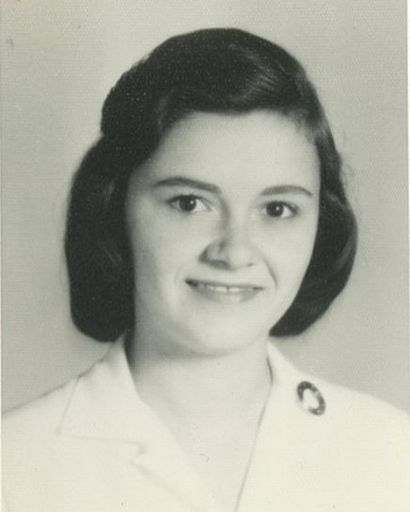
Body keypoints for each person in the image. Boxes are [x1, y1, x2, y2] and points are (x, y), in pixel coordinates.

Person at [3, 28, 409, 512]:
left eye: (277, 209)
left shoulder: (389, 451)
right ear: (114, 209)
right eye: (189, 203)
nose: (234, 252)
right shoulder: (16, 463)